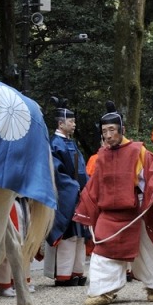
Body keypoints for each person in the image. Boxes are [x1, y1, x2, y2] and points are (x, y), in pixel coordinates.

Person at [73, 103, 153, 305]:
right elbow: (95, 184)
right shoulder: (101, 155)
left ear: (121, 130)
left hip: (137, 210)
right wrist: (86, 204)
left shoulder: (138, 151)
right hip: (109, 211)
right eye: (104, 131)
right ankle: (103, 291)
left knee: (147, 250)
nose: (107, 135)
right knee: (103, 249)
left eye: (112, 130)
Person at [47, 103, 90, 287]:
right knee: (68, 235)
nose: (74, 124)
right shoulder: (54, 144)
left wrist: (86, 186)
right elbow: (56, 172)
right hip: (66, 194)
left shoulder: (70, 143)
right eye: (71, 121)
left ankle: (77, 272)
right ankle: (63, 275)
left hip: (78, 194)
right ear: (60, 124)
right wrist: (73, 187)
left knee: (80, 235)